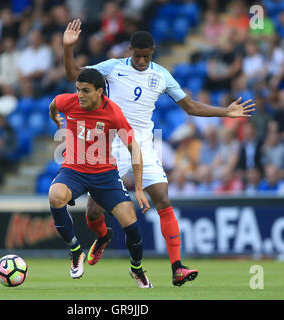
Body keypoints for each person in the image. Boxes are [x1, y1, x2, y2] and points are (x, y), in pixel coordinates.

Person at [63, 19, 255, 287]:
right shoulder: (113, 67)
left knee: (163, 199)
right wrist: (68, 48)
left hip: (142, 142)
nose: (141, 60)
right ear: (129, 50)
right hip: (110, 143)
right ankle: (104, 236)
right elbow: (75, 76)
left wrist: (226, 111)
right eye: (137, 55)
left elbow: (190, 107)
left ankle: (177, 267)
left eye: (146, 56)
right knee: (93, 212)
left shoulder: (162, 75)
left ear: (152, 51)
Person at [48, 68, 152, 288]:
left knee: (130, 223)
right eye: (77, 90)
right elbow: (54, 104)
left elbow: (134, 148)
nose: (80, 95)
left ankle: (137, 269)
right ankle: (76, 251)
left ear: (100, 92)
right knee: (55, 196)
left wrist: (140, 188)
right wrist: (56, 121)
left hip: (104, 173)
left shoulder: (113, 113)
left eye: (85, 91)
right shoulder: (69, 102)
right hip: (74, 169)